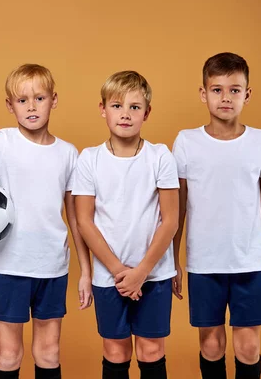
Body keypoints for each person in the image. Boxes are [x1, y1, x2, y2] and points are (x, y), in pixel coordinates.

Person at [0, 64, 92, 379]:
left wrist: (86, 272)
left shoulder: (68, 153)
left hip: (53, 267)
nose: (32, 106)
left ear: (54, 100)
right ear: (10, 106)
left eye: (39, 98)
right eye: (22, 100)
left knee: (48, 354)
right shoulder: (2, 142)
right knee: (9, 355)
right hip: (10, 268)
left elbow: (77, 218)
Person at [172, 52, 261, 379]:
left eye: (235, 90)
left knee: (248, 348)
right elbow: (177, 205)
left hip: (247, 261)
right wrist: (172, 259)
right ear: (203, 94)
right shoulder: (186, 142)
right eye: (217, 89)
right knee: (212, 346)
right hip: (204, 263)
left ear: (247, 95)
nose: (225, 97)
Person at [74, 70, 179, 379]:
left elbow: (170, 220)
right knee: (116, 350)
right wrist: (122, 273)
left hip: (154, 273)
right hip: (111, 276)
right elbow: (84, 220)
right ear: (103, 109)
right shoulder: (89, 159)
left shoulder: (160, 156)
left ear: (146, 113)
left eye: (135, 107)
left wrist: (142, 272)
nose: (125, 114)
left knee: (151, 350)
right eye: (117, 105)